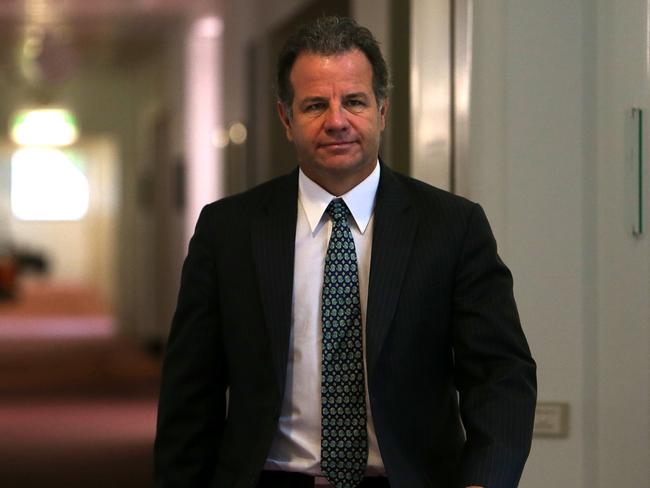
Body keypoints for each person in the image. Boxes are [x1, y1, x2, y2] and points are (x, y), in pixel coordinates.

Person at [154, 16, 536, 488]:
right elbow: (191, 391)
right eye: (315, 105)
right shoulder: (228, 230)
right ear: (285, 118)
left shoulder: (452, 227)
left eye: (354, 101)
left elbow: (500, 374)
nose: (337, 121)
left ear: (382, 110)